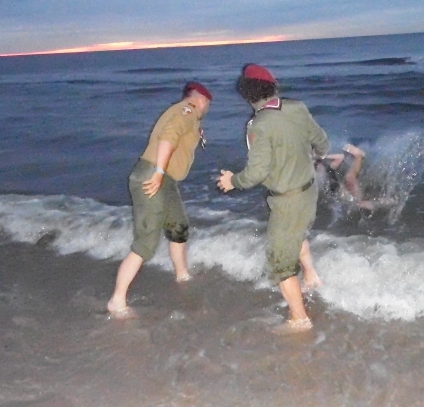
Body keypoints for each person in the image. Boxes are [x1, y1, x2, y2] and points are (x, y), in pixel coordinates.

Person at [217, 64, 329, 334]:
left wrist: (233, 181)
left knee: (279, 262)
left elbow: (256, 173)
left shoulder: (258, 125)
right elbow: (322, 144)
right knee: (296, 232)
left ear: (246, 94)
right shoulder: (297, 107)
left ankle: (299, 319)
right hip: (309, 190)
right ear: (272, 87)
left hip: (287, 199)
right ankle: (311, 278)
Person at [107, 81, 212, 319]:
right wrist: (158, 172)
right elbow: (168, 137)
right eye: (207, 104)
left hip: (167, 181)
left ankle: (182, 274)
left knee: (178, 226)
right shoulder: (187, 111)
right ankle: (117, 301)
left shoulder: (185, 115)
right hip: (153, 176)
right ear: (202, 100)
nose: (206, 109)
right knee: (146, 242)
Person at [318, 143, 372, 209]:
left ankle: (359, 156)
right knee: (350, 181)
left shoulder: (328, 169)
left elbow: (340, 157)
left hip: (340, 193)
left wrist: (324, 157)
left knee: (350, 179)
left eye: (318, 164)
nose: (318, 166)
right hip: (339, 194)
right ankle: (358, 156)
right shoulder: (319, 174)